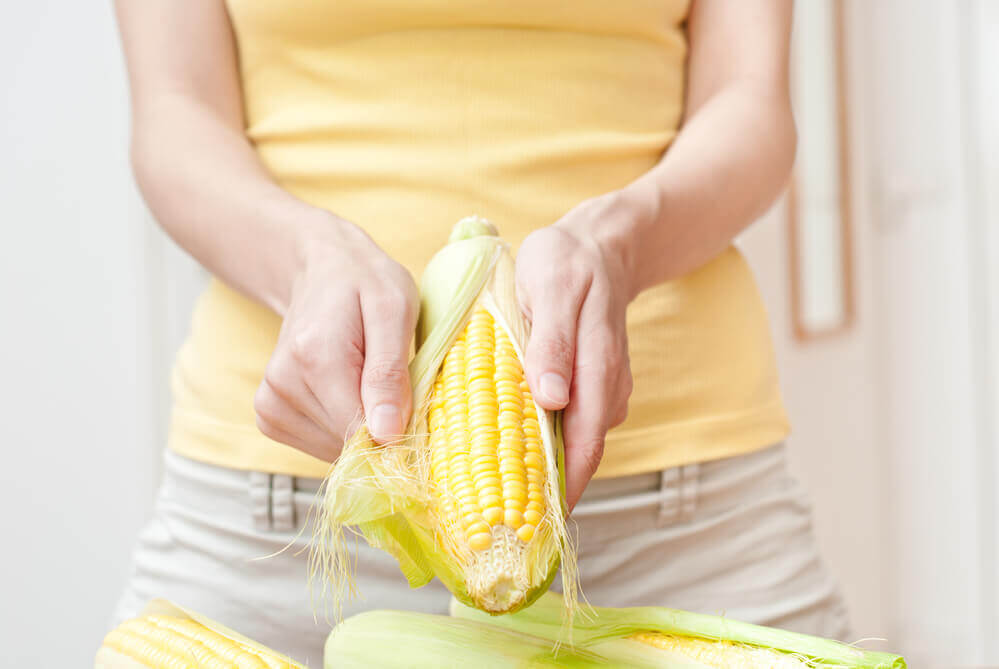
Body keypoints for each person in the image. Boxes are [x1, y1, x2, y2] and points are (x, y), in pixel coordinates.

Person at [112, 0, 849, 663]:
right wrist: (302, 258)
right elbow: (177, 111)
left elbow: (747, 100)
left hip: (680, 512)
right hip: (282, 522)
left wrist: (622, 242)